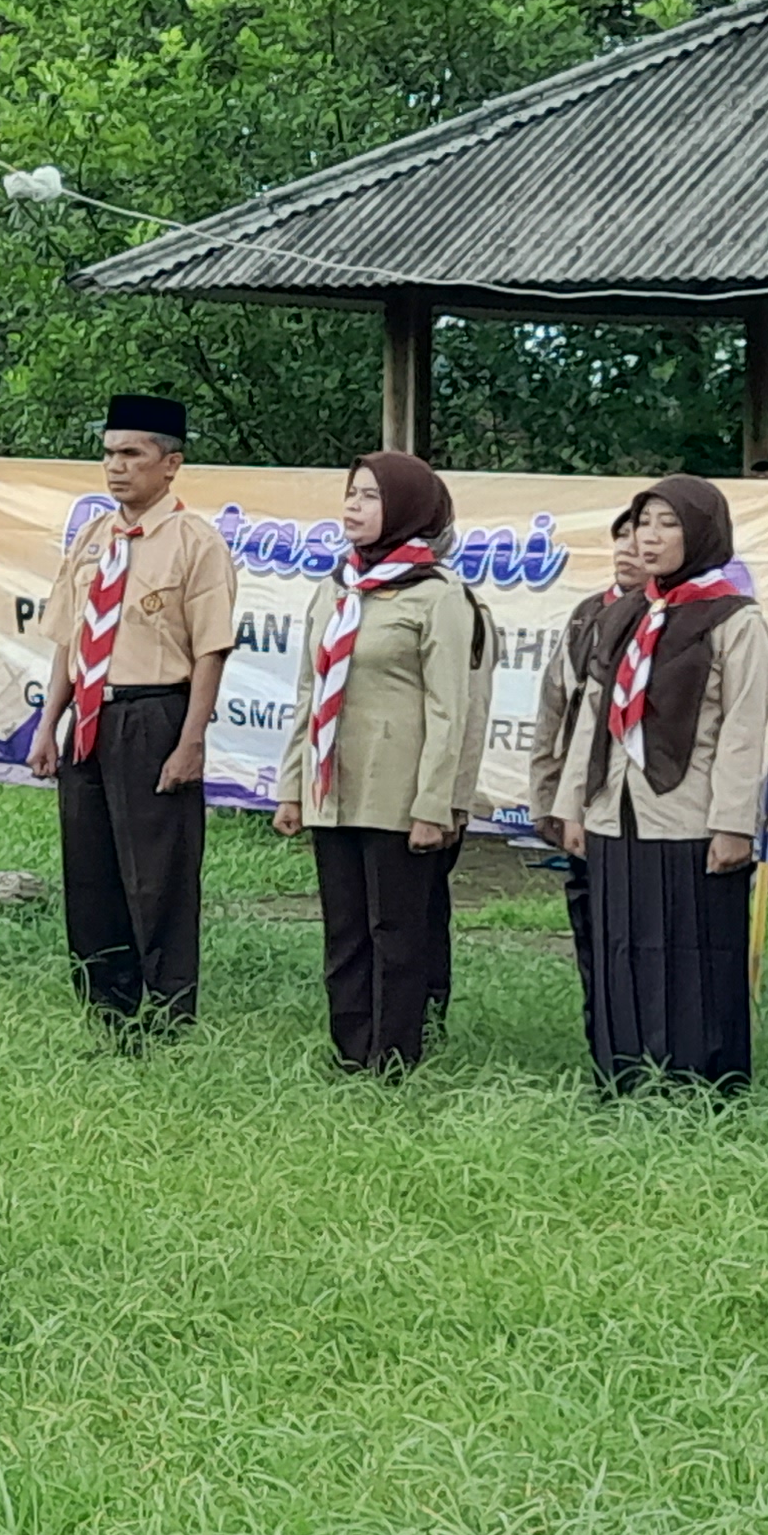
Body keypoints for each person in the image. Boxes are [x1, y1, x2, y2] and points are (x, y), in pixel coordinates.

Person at [551, 476, 768, 1090]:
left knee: (690, 951)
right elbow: (593, 716)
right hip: (614, 810)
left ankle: (696, 1085)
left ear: (701, 532)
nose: (648, 537)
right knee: (619, 946)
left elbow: (743, 728)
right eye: (642, 522)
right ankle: (624, 1077)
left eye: (667, 524)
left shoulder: (735, 620)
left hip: (689, 816)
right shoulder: (623, 614)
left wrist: (733, 824)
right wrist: (573, 805)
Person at [272, 452, 489, 1076]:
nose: (354, 506)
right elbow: (310, 692)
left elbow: (451, 709)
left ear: (406, 509)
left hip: (398, 791)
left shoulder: (438, 595)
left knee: (396, 929)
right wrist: (292, 787)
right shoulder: (335, 587)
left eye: (370, 496)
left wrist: (435, 805)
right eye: (351, 493)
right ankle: (349, 1052)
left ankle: (394, 1058)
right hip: (333, 784)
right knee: (344, 928)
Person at [27, 395, 239, 1035]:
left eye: (131, 454)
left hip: (155, 714)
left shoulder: (195, 542)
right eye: (108, 454)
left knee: (158, 872)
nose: (115, 467)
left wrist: (191, 740)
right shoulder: (95, 538)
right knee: (90, 869)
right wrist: (48, 726)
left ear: (170, 464)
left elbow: (210, 649)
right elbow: (70, 638)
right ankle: (105, 1007)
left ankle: (169, 1013)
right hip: (92, 713)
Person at [528, 506, 651, 1011]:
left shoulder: (677, 616)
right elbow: (554, 707)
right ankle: (599, 1026)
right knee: (589, 918)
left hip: (644, 799)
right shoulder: (587, 613)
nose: (628, 548)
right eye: (621, 537)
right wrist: (546, 795)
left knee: (640, 924)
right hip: (584, 793)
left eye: (639, 537)